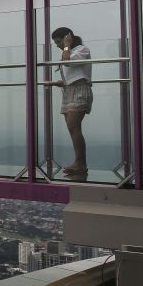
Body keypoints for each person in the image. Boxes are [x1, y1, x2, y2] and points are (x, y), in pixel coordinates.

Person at [51, 27, 92, 177]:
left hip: (80, 90)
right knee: (71, 128)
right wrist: (61, 82)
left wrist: (67, 44)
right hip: (69, 91)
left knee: (74, 127)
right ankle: (79, 162)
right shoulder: (68, 52)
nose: (57, 45)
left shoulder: (82, 49)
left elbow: (68, 63)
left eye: (59, 41)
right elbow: (73, 72)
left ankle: (80, 164)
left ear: (68, 37)